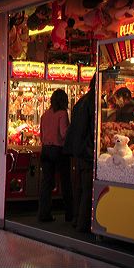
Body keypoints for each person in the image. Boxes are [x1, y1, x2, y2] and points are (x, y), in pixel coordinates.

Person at [64, 75, 96, 233]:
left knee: (78, 186)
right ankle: (83, 223)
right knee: (87, 187)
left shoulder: (80, 102)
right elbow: (91, 128)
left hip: (77, 149)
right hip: (87, 150)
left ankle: (76, 218)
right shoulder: (93, 101)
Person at [38, 89, 73, 222]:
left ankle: (44, 214)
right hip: (58, 150)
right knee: (65, 182)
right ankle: (69, 214)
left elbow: (41, 135)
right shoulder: (62, 114)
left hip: (45, 149)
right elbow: (64, 133)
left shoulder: (45, 115)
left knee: (46, 183)